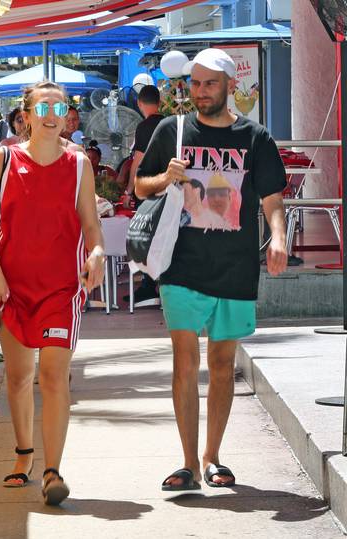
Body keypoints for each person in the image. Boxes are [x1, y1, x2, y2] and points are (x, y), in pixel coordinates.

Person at [134, 48, 288, 491]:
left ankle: (212, 457)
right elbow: (141, 187)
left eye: (209, 84)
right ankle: (187, 464)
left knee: (222, 364)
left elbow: (272, 200)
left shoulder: (255, 138)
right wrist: (166, 177)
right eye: (194, 84)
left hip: (236, 267)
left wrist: (277, 237)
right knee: (185, 361)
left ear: (229, 87)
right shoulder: (172, 130)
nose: (199, 93)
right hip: (182, 266)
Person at [0, 81, 104, 506]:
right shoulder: (4, 159)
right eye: (42, 106)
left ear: (68, 114)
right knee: (17, 377)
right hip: (10, 286)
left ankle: (53, 471)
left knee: (52, 377)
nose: (52, 113)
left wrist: (98, 254)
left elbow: (91, 226)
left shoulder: (80, 164)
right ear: (25, 115)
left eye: (59, 106)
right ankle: (24, 453)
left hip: (62, 289)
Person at [125, 85, 165, 305]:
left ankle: (149, 286)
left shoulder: (143, 127)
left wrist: (129, 190)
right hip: (170, 189)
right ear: (159, 102)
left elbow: (137, 161)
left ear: (140, 104)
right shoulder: (171, 124)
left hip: (148, 189)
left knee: (147, 239)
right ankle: (163, 283)